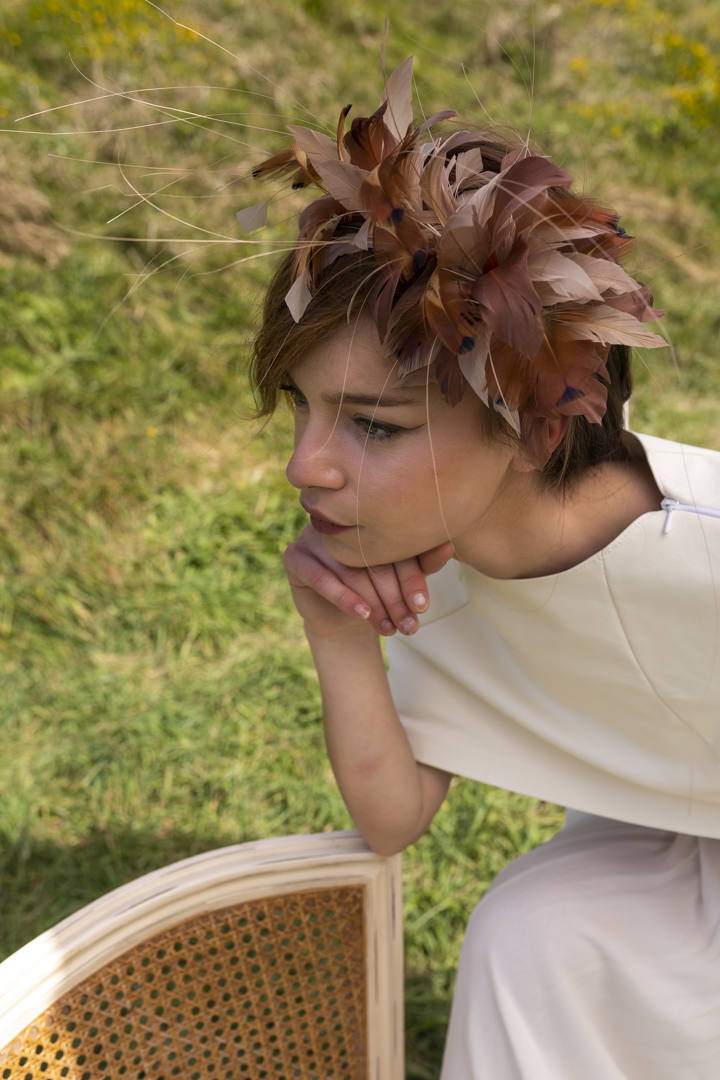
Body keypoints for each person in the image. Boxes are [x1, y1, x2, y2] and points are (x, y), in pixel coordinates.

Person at [247, 57, 720, 1077]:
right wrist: (335, 632)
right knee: (533, 933)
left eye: (369, 427)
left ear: (535, 430)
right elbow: (393, 814)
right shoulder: (442, 579)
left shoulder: (706, 552)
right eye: (303, 409)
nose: (304, 466)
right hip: (681, 844)